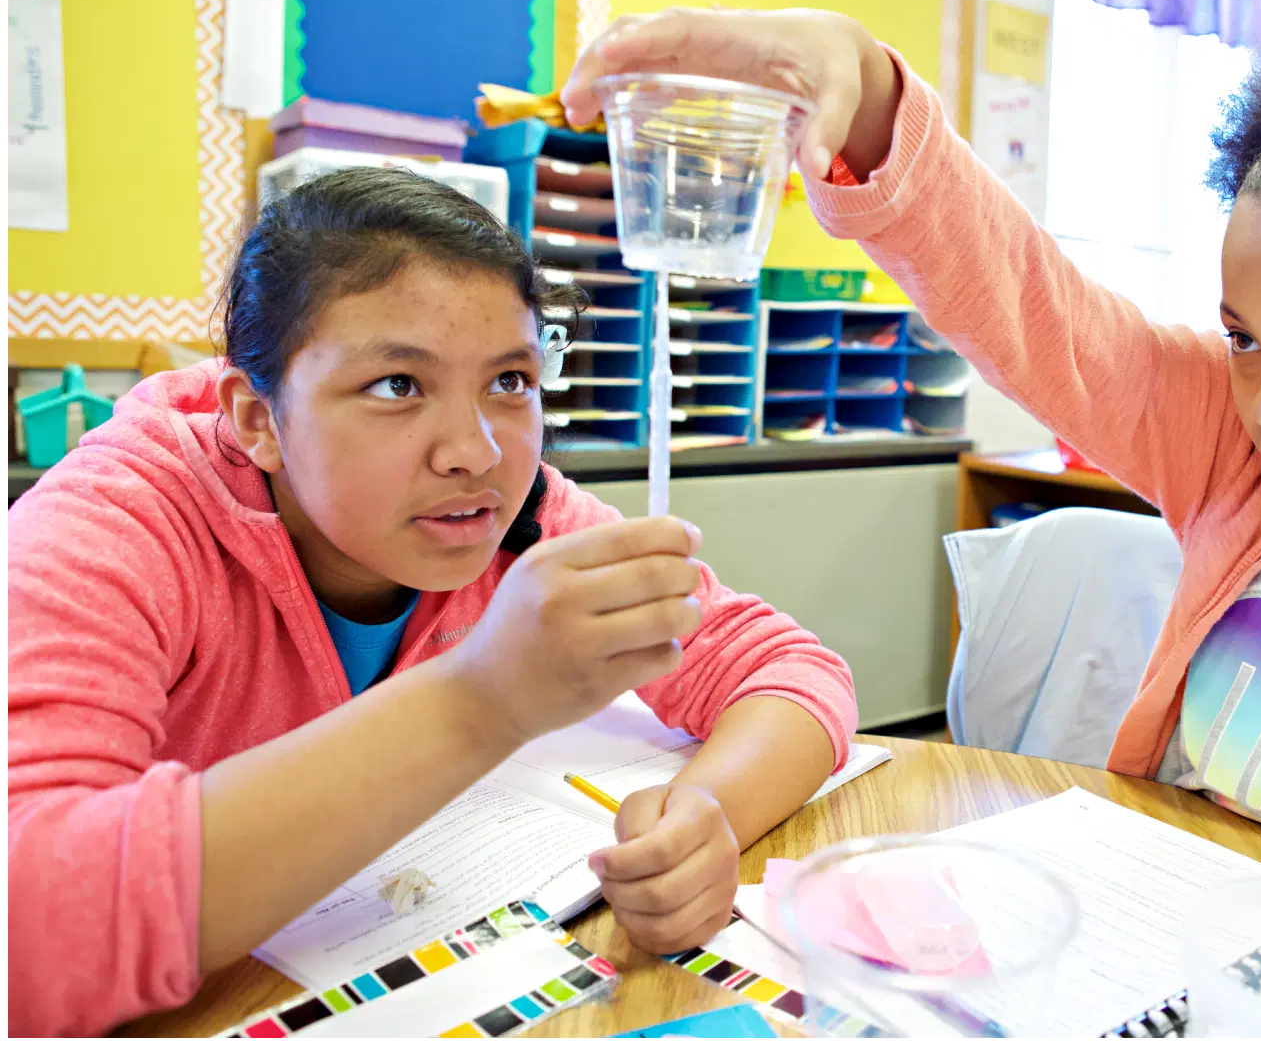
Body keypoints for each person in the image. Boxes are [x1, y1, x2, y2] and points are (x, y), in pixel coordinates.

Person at [564, 0, 1261, 983]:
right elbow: (1033, 305)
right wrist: (863, 98)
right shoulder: (1231, 444)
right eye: (1245, 338)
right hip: (1174, 961)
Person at [7, 167, 856, 1039]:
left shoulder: (526, 515)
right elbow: (29, 930)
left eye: (510, 381)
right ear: (258, 418)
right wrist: (481, 699)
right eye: (398, 386)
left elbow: (786, 666)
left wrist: (705, 816)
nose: (476, 451)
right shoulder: (121, 521)